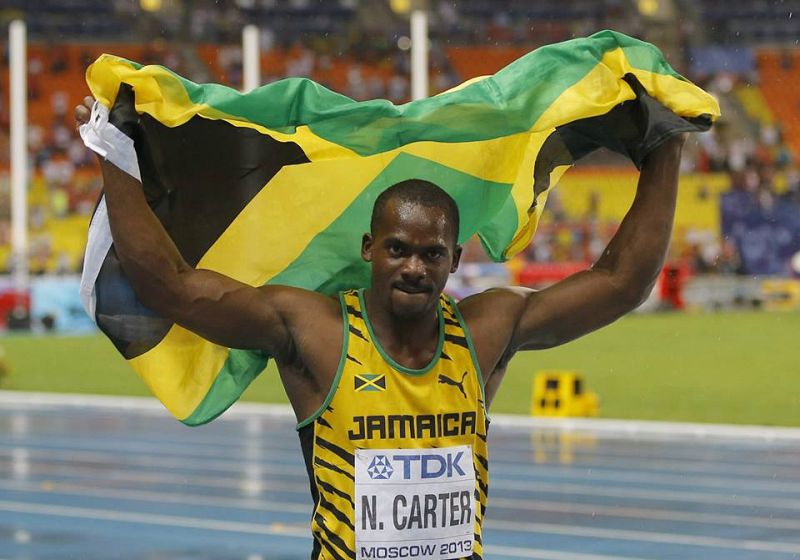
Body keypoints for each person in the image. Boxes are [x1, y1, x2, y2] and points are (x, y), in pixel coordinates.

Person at [75, 96, 687, 560]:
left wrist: (666, 144)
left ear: (455, 259)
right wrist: (117, 155)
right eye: (398, 249)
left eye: (432, 254)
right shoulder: (314, 331)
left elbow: (620, 283)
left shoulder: (486, 330)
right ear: (370, 248)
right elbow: (172, 287)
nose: (414, 267)